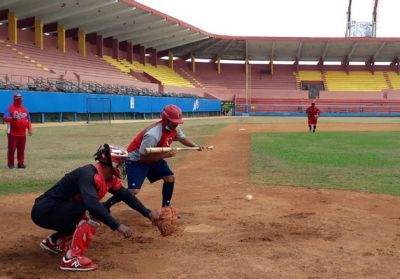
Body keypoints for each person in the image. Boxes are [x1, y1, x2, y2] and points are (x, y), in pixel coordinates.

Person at [31, 144, 159, 272]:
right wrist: (117, 225)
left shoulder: (108, 178)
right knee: (95, 212)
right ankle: (71, 259)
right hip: (46, 211)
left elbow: (126, 196)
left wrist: (147, 213)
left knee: (100, 210)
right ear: (113, 163)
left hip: (56, 210)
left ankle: (54, 242)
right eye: (122, 162)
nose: (124, 165)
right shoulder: (88, 174)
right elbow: (92, 204)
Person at [103, 104, 204, 211]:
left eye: (178, 122)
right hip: (136, 160)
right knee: (134, 191)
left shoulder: (174, 128)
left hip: (154, 157)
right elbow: (143, 158)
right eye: (174, 122)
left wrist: (196, 146)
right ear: (165, 120)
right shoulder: (153, 134)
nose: (176, 125)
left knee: (170, 178)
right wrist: (167, 155)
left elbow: (182, 139)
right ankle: (106, 205)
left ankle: (166, 209)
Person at [3, 92, 32, 168]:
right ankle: (11, 164)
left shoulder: (25, 110)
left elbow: (28, 120)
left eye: (20, 99)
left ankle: (20, 163)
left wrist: (30, 129)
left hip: (22, 134)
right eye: (18, 99)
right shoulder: (9, 108)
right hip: (12, 133)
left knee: (21, 149)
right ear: (14, 99)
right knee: (12, 149)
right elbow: (5, 118)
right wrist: (12, 118)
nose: (19, 100)